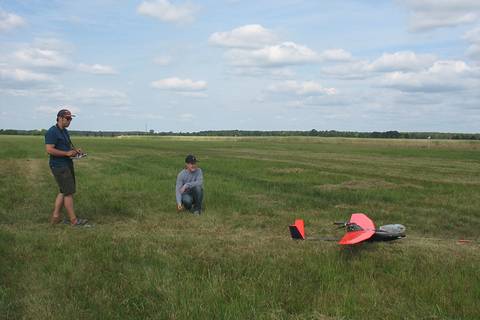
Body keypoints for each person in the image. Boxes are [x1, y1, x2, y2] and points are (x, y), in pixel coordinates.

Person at [45, 108, 88, 226]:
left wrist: (75, 151)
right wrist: (66, 153)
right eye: (67, 118)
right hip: (59, 165)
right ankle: (74, 221)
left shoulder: (64, 131)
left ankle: (56, 217)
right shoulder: (52, 132)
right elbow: (49, 149)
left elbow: (67, 147)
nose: (70, 121)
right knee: (68, 192)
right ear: (59, 118)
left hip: (67, 164)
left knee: (63, 191)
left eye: (71, 119)